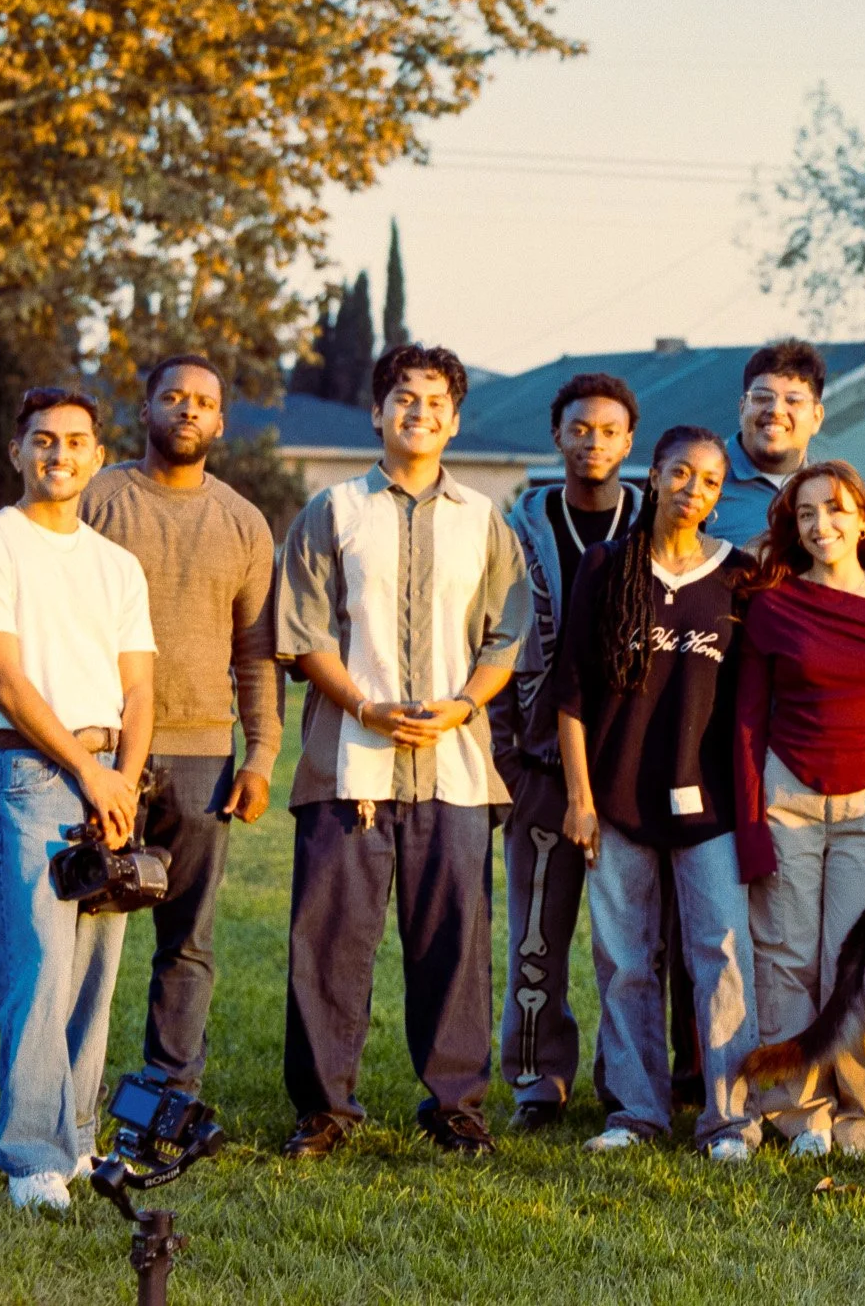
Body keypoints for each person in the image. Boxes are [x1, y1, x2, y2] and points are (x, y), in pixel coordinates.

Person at [274, 342, 531, 1161]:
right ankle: (324, 1108)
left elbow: (509, 631)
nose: (418, 413)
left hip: (453, 769)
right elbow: (302, 630)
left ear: (455, 419)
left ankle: (455, 1105)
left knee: (455, 945)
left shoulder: (484, 521)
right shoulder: (333, 511)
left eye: (435, 402)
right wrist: (365, 705)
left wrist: (463, 704)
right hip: (347, 763)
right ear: (377, 410)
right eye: (403, 399)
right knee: (327, 944)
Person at [0, 387, 156, 1212]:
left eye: (75, 441)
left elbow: (140, 686)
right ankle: (31, 1153)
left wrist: (125, 781)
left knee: (96, 972)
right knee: (37, 964)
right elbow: (4, 676)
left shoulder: (116, 564)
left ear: (99, 457)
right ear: (16, 451)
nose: (59, 454)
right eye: (43, 439)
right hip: (32, 771)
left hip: (113, 774)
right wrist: (89, 772)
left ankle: (76, 1139)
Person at [555, 425, 760, 1160]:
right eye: (681, 473)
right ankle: (636, 1112)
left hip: (708, 805)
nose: (694, 490)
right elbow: (572, 693)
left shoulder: (740, 575)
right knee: (625, 959)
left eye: (709, 480)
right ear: (654, 475)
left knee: (722, 954)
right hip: (615, 798)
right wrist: (579, 797)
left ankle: (731, 1118)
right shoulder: (607, 565)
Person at [80, 354, 282, 1096]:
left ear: (221, 422)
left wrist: (259, 754)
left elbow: (257, 652)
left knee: (187, 941)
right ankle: (73, 1083)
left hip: (204, 756)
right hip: (103, 749)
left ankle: (171, 1089)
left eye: (203, 401)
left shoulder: (243, 522)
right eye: (173, 396)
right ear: (146, 410)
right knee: (86, 922)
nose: (188, 409)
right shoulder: (97, 499)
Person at [733, 460, 865, 1156]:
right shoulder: (774, 603)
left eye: (837, 509)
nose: (823, 525)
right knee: (785, 956)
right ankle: (795, 1112)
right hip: (786, 792)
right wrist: (751, 823)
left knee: (851, 963)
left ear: (864, 517)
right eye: (807, 514)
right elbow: (747, 722)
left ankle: (863, 1112)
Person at [493, 372, 640, 1130]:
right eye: (579, 428)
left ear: (629, 441)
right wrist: (506, 759)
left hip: (634, 770)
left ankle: (632, 1081)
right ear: (557, 435)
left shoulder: (650, 521)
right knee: (537, 939)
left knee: (635, 944)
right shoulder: (519, 526)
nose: (593, 442)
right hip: (543, 764)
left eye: (609, 430)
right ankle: (537, 1080)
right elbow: (487, 633)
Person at [704, 339, 827, 548]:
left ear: (816, 417)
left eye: (793, 400)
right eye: (762, 398)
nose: (776, 410)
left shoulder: (838, 493)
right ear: (742, 408)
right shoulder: (700, 485)